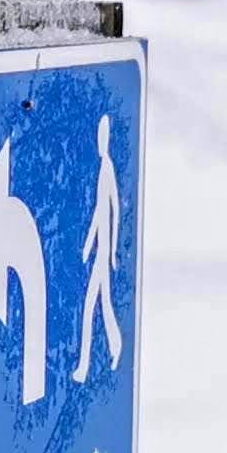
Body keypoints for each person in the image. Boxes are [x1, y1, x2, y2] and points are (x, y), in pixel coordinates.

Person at [74, 108, 125, 384]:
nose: (100, 141)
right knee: (102, 306)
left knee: (93, 307)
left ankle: (84, 365)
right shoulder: (102, 166)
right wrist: (87, 244)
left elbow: (114, 209)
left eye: (102, 136)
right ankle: (114, 348)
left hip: (104, 254)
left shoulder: (107, 167)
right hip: (99, 252)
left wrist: (113, 249)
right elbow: (97, 211)